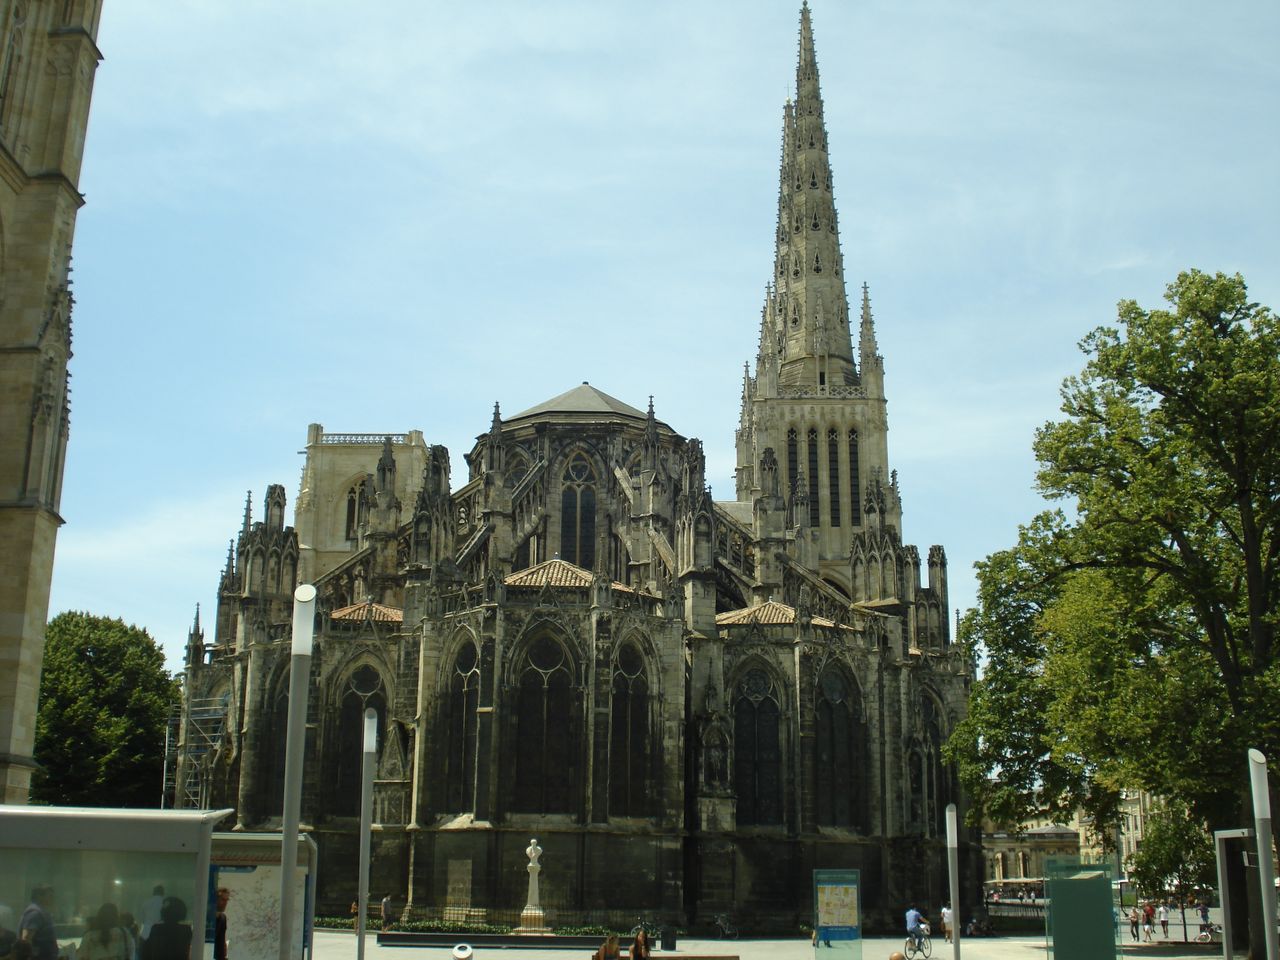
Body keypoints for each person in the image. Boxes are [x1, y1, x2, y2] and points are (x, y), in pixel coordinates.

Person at [18, 886, 56, 960]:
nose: (53, 899)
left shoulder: (41, 912)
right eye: (50, 896)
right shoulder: (35, 913)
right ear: (39, 896)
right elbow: (26, 939)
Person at [214, 889, 229, 960]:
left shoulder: (223, 918)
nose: (225, 903)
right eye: (223, 900)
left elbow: (222, 938)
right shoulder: (206, 917)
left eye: (227, 900)